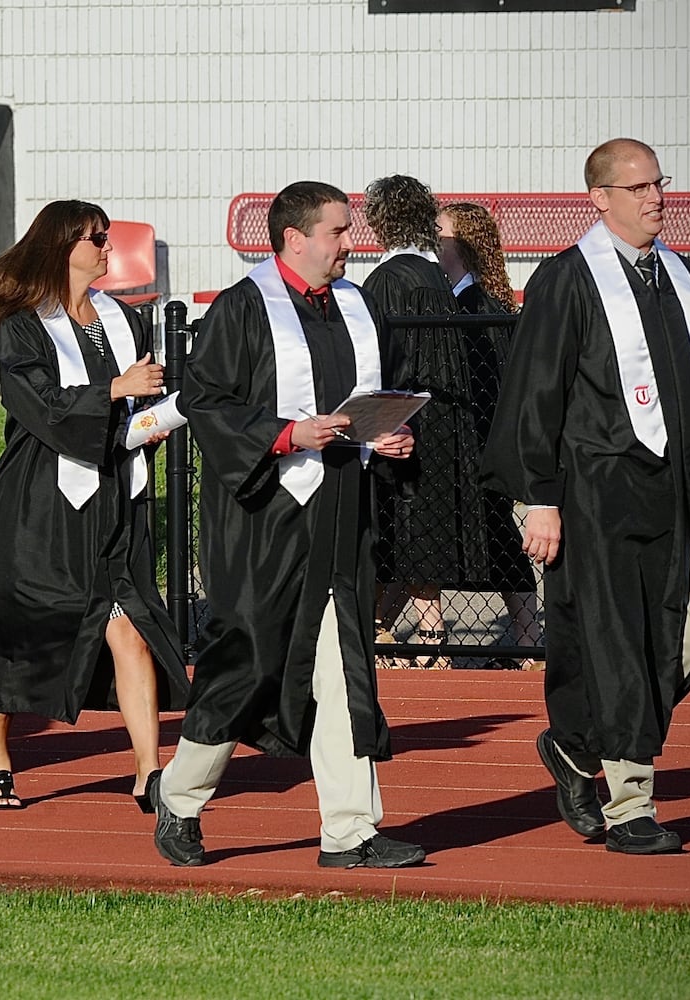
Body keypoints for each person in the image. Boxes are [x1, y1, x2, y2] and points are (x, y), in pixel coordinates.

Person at [480, 138, 690, 854]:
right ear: (597, 199)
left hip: (680, 495)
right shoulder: (567, 280)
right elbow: (532, 396)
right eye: (636, 188)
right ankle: (630, 806)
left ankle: (576, 747)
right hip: (596, 497)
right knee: (618, 649)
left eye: (658, 184)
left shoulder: (685, 280)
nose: (655, 198)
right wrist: (537, 498)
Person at [156, 181, 425, 870]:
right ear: (293, 239)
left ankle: (349, 831)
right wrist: (283, 434)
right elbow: (205, 404)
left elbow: (368, 400)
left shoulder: (357, 307)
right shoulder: (242, 310)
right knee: (244, 664)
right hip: (263, 519)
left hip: (342, 512)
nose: (349, 244)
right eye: (336, 232)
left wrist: (383, 439)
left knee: (343, 672)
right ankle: (180, 798)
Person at [0, 200, 189, 810]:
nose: (106, 247)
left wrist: (151, 420)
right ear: (63, 246)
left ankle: (149, 772)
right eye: (95, 238)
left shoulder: (121, 319)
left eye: (107, 237)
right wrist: (118, 389)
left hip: (114, 495)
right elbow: (36, 405)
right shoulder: (23, 324)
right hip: (38, 500)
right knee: (17, 630)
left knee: (131, 630)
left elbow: (130, 411)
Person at [360, 174, 467, 669]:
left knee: (398, 526)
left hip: (401, 420)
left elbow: (379, 359)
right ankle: (397, 629)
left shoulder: (385, 281)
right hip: (444, 418)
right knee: (418, 528)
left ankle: (425, 633)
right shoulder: (435, 280)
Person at [435, 202, 540, 667]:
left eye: (440, 233)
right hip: (475, 438)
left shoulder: (475, 306)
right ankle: (526, 636)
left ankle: (528, 637)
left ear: (463, 244)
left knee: (497, 534)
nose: (433, 242)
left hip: (480, 438)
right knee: (491, 535)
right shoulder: (463, 301)